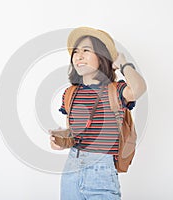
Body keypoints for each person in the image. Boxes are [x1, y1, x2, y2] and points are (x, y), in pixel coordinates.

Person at [49, 27, 147, 200]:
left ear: (101, 57)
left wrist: (123, 63)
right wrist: (61, 141)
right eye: (76, 52)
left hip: (101, 170)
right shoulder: (70, 94)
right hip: (72, 168)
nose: (78, 56)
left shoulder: (116, 90)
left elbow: (138, 89)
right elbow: (74, 133)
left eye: (86, 50)